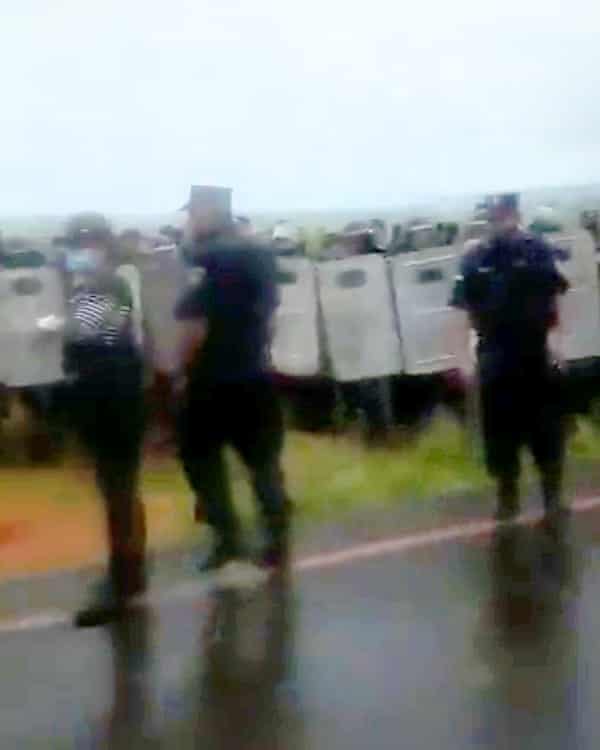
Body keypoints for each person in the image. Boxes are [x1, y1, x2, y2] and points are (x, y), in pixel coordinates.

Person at [174, 185, 291, 571]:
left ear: (212, 211)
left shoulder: (204, 259)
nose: (190, 219)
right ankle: (276, 540)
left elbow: (195, 326)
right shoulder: (259, 253)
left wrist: (179, 371)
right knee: (262, 462)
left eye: (194, 212)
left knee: (202, 459)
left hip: (211, 377)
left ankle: (228, 539)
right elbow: (271, 316)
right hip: (254, 371)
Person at [450, 193, 569, 523]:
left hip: (536, 353)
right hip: (495, 355)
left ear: (516, 214)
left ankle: (552, 495)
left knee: (546, 430)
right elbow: (460, 312)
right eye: (495, 215)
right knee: (500, 433)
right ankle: (508, 496)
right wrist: (463, 358)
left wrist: (558, 343)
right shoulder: (475, 260)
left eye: (506, 213)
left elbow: (555, 300)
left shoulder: (538, 251)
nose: (501, 220)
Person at [56, 212, 147, 626]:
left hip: (112, 397)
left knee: (119, 490)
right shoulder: (104, 282)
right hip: (114, 395)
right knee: (121, 489)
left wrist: (54, 326)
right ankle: (129, 577)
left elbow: (86, 333)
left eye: (78, 245)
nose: (74, 253)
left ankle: (122, 586)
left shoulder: (104, 284)